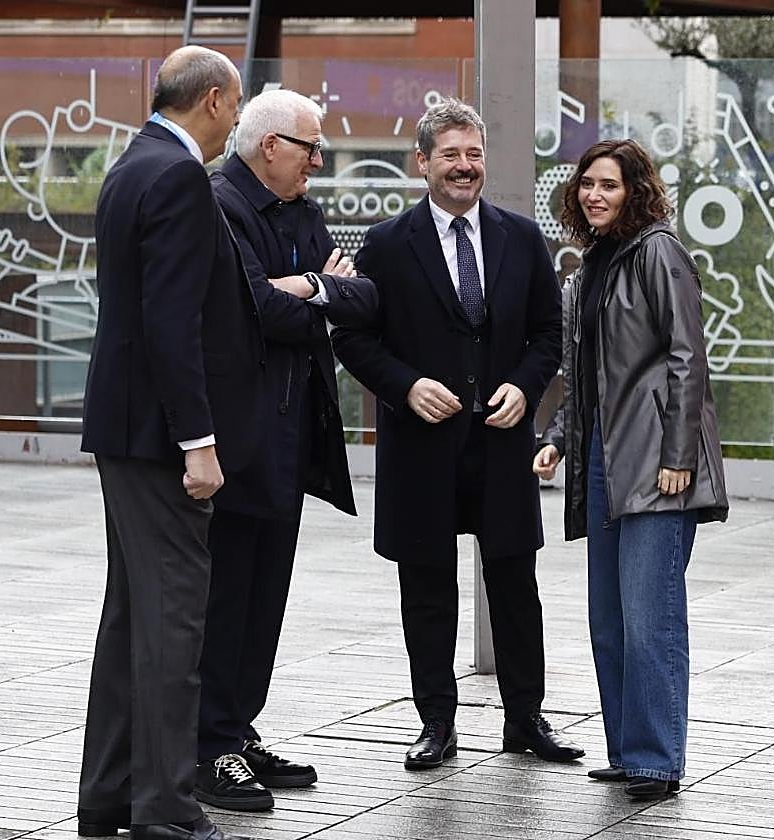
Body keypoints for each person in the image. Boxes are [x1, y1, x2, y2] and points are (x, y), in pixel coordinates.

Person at [332, 98, 583, 770]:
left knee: (515, 587)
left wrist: (526, 388)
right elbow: (353, 338)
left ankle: (526, 719)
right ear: (423, 164)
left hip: (501, 444)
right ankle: (435, 724)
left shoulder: (521, 237)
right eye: (450, 155)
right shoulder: (386, 245)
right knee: (427, 588)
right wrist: (406, 385)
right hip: (421, 447)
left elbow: (548, 334)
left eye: (473, 154)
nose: (464, 167)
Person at [77, 46, 261, 840]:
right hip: (160, 438)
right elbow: (171, 324)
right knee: (174, 624)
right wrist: (200, 442)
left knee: (132, 618)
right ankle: (166, 811)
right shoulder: (181, 176)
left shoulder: (132, 164)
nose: (237, 119)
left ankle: (111, 795)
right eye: (239, 106)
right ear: (216, 101)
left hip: (124, 430)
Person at [194, 89, 378, 811]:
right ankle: (209, 747)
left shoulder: (298, 208)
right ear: (270, 145)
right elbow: (250, 312)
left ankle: (237, 732)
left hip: (292, 437)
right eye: (311, 146)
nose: (320, 159)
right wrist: (321, 292)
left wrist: (307, 287)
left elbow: (363, 299)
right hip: (238, 440)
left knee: (265, 599)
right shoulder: (222, 206)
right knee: (228, 597)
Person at [532, 139, 729, 801]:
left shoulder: (657, 252)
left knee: (652, 619)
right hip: (602, 461)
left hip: (655, 461)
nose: (594, 195)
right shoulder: (592, 266)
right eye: (587, 183)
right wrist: (558, 436)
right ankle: (627, 749)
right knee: (610, 619)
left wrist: (678, 456)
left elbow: (687, 358)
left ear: (635, 191)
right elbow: (584, 374)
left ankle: (655, 759)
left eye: (609, 185)